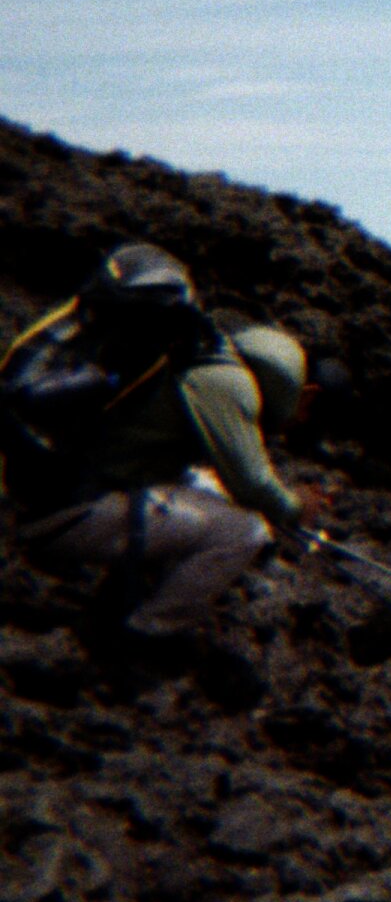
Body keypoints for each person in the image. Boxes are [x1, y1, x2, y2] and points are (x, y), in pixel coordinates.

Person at [5, 244, 319, 645]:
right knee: (245, 531)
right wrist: (296, 509)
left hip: (45, 496)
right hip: (71, 514)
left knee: (204, 487)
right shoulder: (224, 380)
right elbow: (254, 485)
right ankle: (148, 631)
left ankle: (121, 594)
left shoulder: (183, 359)